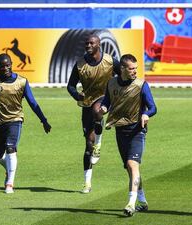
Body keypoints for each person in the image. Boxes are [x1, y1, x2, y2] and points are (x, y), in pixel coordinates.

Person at [0, 53, 51, 194]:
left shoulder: (22, 82)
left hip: (15, 120)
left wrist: (44, 120)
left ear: (12, 64)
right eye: (2, 66)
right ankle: (9, 168)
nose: (5, 68)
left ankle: (9, 183)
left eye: (8, 65)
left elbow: (32, 102)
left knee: (11, 148)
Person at [98, 54, 156, 217]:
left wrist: (146, 114)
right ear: (122, 69)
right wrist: (103, 108)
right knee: (130, 169)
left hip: (137, 130)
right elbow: (106, 102)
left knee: (132, 164)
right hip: (120, 130)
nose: (135, 72)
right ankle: (143, 201)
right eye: (131, 69)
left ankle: (131, 203)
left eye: (136, 68)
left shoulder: (141, 85)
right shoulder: (111, 83)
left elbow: (153, 107)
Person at [67, 34, 120, 194]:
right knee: (88, 146)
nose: (88, 45)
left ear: (99, 44)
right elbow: (70, 86)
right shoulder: (80, 64)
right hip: (87, 103)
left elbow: (123, 75)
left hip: (105, 98)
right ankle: (87, 183)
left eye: (91, 43)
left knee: (98, 110)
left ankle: (99, 142)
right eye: (86, 43)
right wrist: (77, 95)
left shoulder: (110, 61)